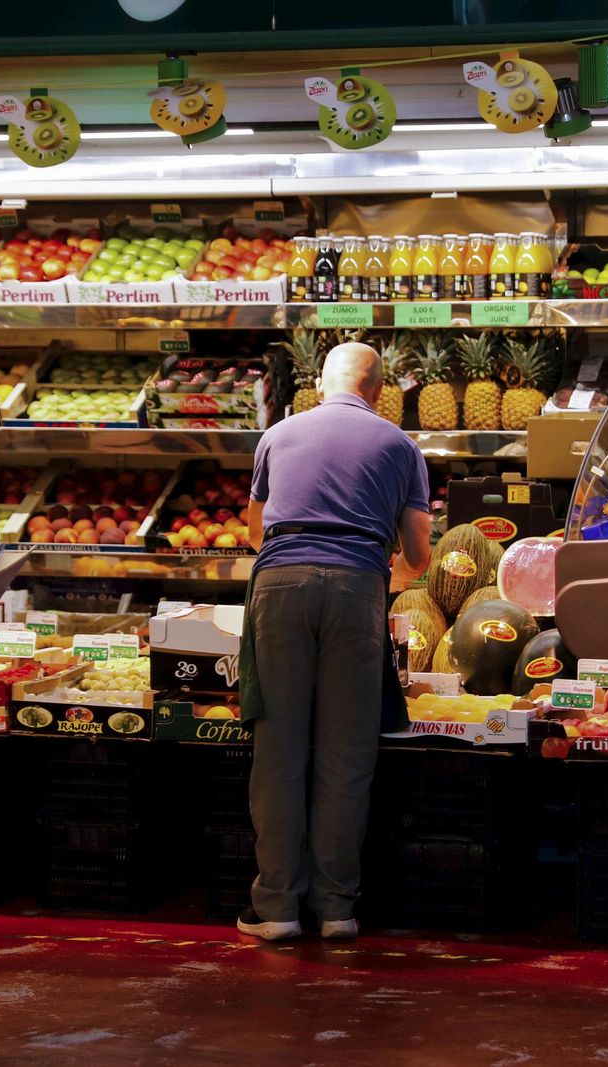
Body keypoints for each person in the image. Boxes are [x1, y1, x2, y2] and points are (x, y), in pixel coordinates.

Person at [236, 342, 431, 942]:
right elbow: (420, 556)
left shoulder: (279, 434)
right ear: (379, 391)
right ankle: (337, 911)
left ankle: (277, 912)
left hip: (280, 584)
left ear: (322, 383)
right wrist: (382, 576)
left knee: (280, 750)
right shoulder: (402, 447)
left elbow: (254, 529)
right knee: (346, 755)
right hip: (356, 589)